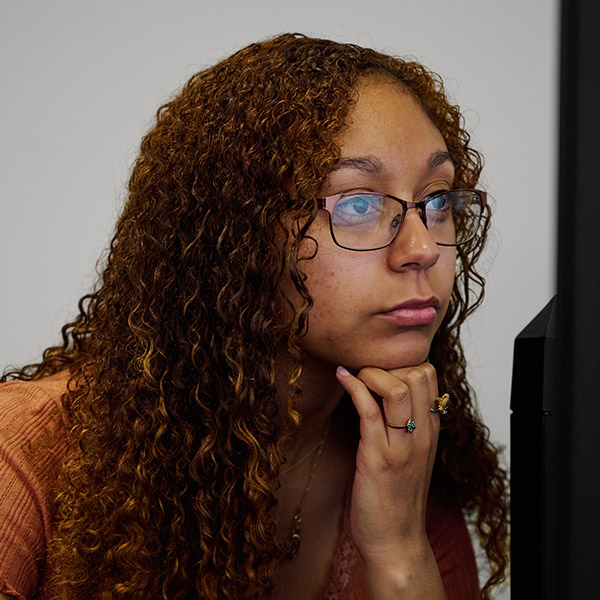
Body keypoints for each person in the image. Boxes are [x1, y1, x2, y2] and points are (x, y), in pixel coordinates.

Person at [0, 33, 508, 600]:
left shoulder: (403, 457)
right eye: (359, 203)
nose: (423, 248)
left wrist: (398, 548)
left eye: (437, 200)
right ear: (237, 236)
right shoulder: (21, 459)